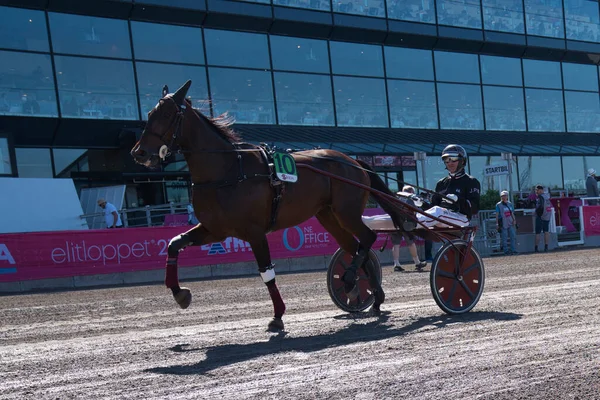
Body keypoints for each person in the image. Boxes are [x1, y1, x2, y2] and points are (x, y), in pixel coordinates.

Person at [417, 144, 481, 228]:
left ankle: (413, 223)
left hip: (462, 218)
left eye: (453, 159)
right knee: (421, 212)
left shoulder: (471, 181)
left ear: (462, 160)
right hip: (443, 217)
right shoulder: (441, 183)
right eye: (446, 160)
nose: (450, 162)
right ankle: (406, 223)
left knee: (438, 212)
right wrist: (422, 203)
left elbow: (474, 208)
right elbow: (434, 206)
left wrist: (457, 200)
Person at [391, 185, 427, 272]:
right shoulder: (410, 199)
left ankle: (396, 264)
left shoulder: (396, 198)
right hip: (406, 223)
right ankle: (417, 262)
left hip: (395, 222)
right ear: (411, 192)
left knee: (396, 244)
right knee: (411, 243)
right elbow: (417, 210)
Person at [496, 190, 518, 255]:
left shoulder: (510, 204)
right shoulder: (498, 205)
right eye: (502, 196)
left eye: (505, 196)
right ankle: (506, 250)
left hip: (510, 222)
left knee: (512, 236)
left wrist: (514, 220)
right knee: (504, 237)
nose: (503, 197)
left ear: (507, 196)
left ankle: (513, 249)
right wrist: (497, 223)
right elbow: (497, 214)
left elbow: (512, 213)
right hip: (503, 222)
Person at [534, 185, 552, 252]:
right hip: (547, 216)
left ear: (541, 190)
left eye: (537, 190)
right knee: (546, 231)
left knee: (538, 232)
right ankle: (546, 247)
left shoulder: (540, 197)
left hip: (541, 216)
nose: (536, 191)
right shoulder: (547, 197)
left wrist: (537, 213)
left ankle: (536, 248)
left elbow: (540, 207)